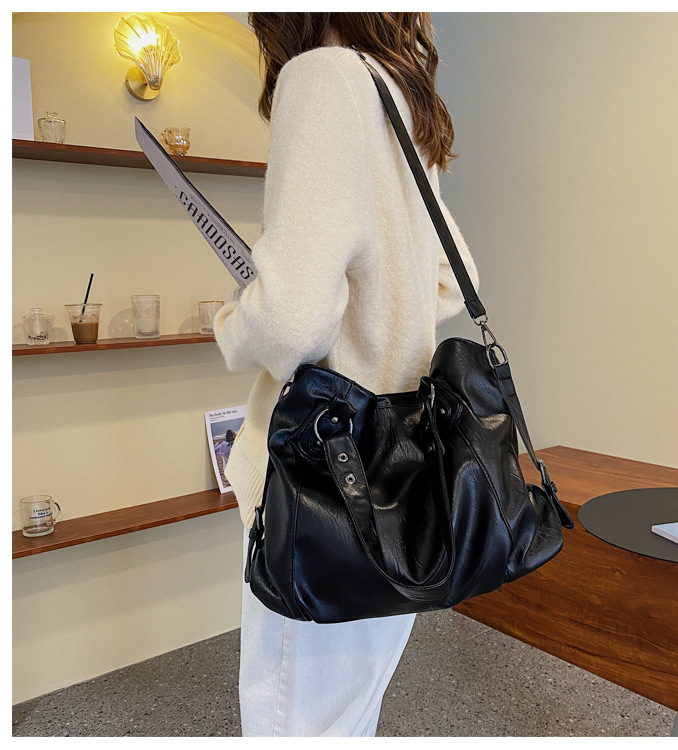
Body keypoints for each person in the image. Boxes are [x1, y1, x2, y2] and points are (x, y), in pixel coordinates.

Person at [213, 12, 479, 737]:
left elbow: (289, 320)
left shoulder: (320, 79)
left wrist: (234, 324)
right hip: (408, 482)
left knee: (293, 724)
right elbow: (455, 277)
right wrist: (381, 312)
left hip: (322, 482)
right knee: (347, 719)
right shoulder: (400, 96)